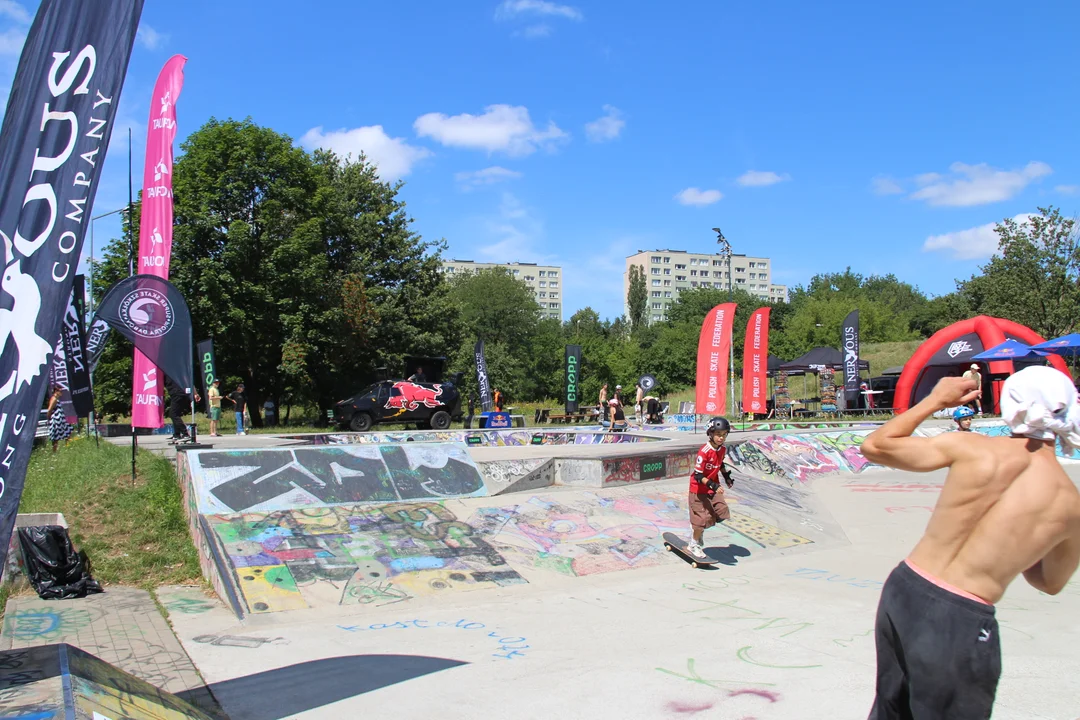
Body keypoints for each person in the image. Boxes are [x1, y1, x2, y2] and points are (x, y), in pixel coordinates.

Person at [860, 367, 1080, 719]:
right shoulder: (1069, 504)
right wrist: (1015, 542)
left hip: (905, 589)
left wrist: (935, 400)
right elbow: (1049, 583)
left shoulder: (972, 447)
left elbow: (874, 446)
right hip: (959, 617)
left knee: (890, 710)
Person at [684, 417, 734, 560]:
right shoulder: (704, 451)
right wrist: (713, 485)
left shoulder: (722, 449)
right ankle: (693, 544)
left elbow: (721, 463)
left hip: (712, 488)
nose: (721, 437)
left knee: (722, 511)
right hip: (698, 489)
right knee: (701, 520)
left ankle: (698, 528)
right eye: (718, 434)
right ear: (711, 434)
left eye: (724, 434)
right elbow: (698, 475)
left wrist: (727, 477)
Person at [46, 387, 72, 453]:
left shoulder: (57, 399)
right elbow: (49, 410)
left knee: (68, 433)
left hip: (61, 420)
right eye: (60, 391)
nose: (61, 392)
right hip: (57, 420)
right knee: (56, 437)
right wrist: (49, 418)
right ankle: (54, 451)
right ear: (56, 391)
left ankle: (68, 448)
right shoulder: (54, 399)